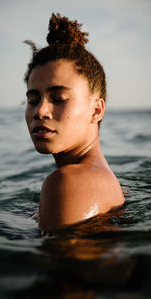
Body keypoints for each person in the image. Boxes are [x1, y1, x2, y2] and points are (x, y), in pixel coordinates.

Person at [24, 13, 125, 232]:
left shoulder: (67, 182)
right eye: (33, 100)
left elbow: (56, 263)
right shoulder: (105, 180)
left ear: (96, 110)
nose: (40, 111)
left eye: (58, 99)